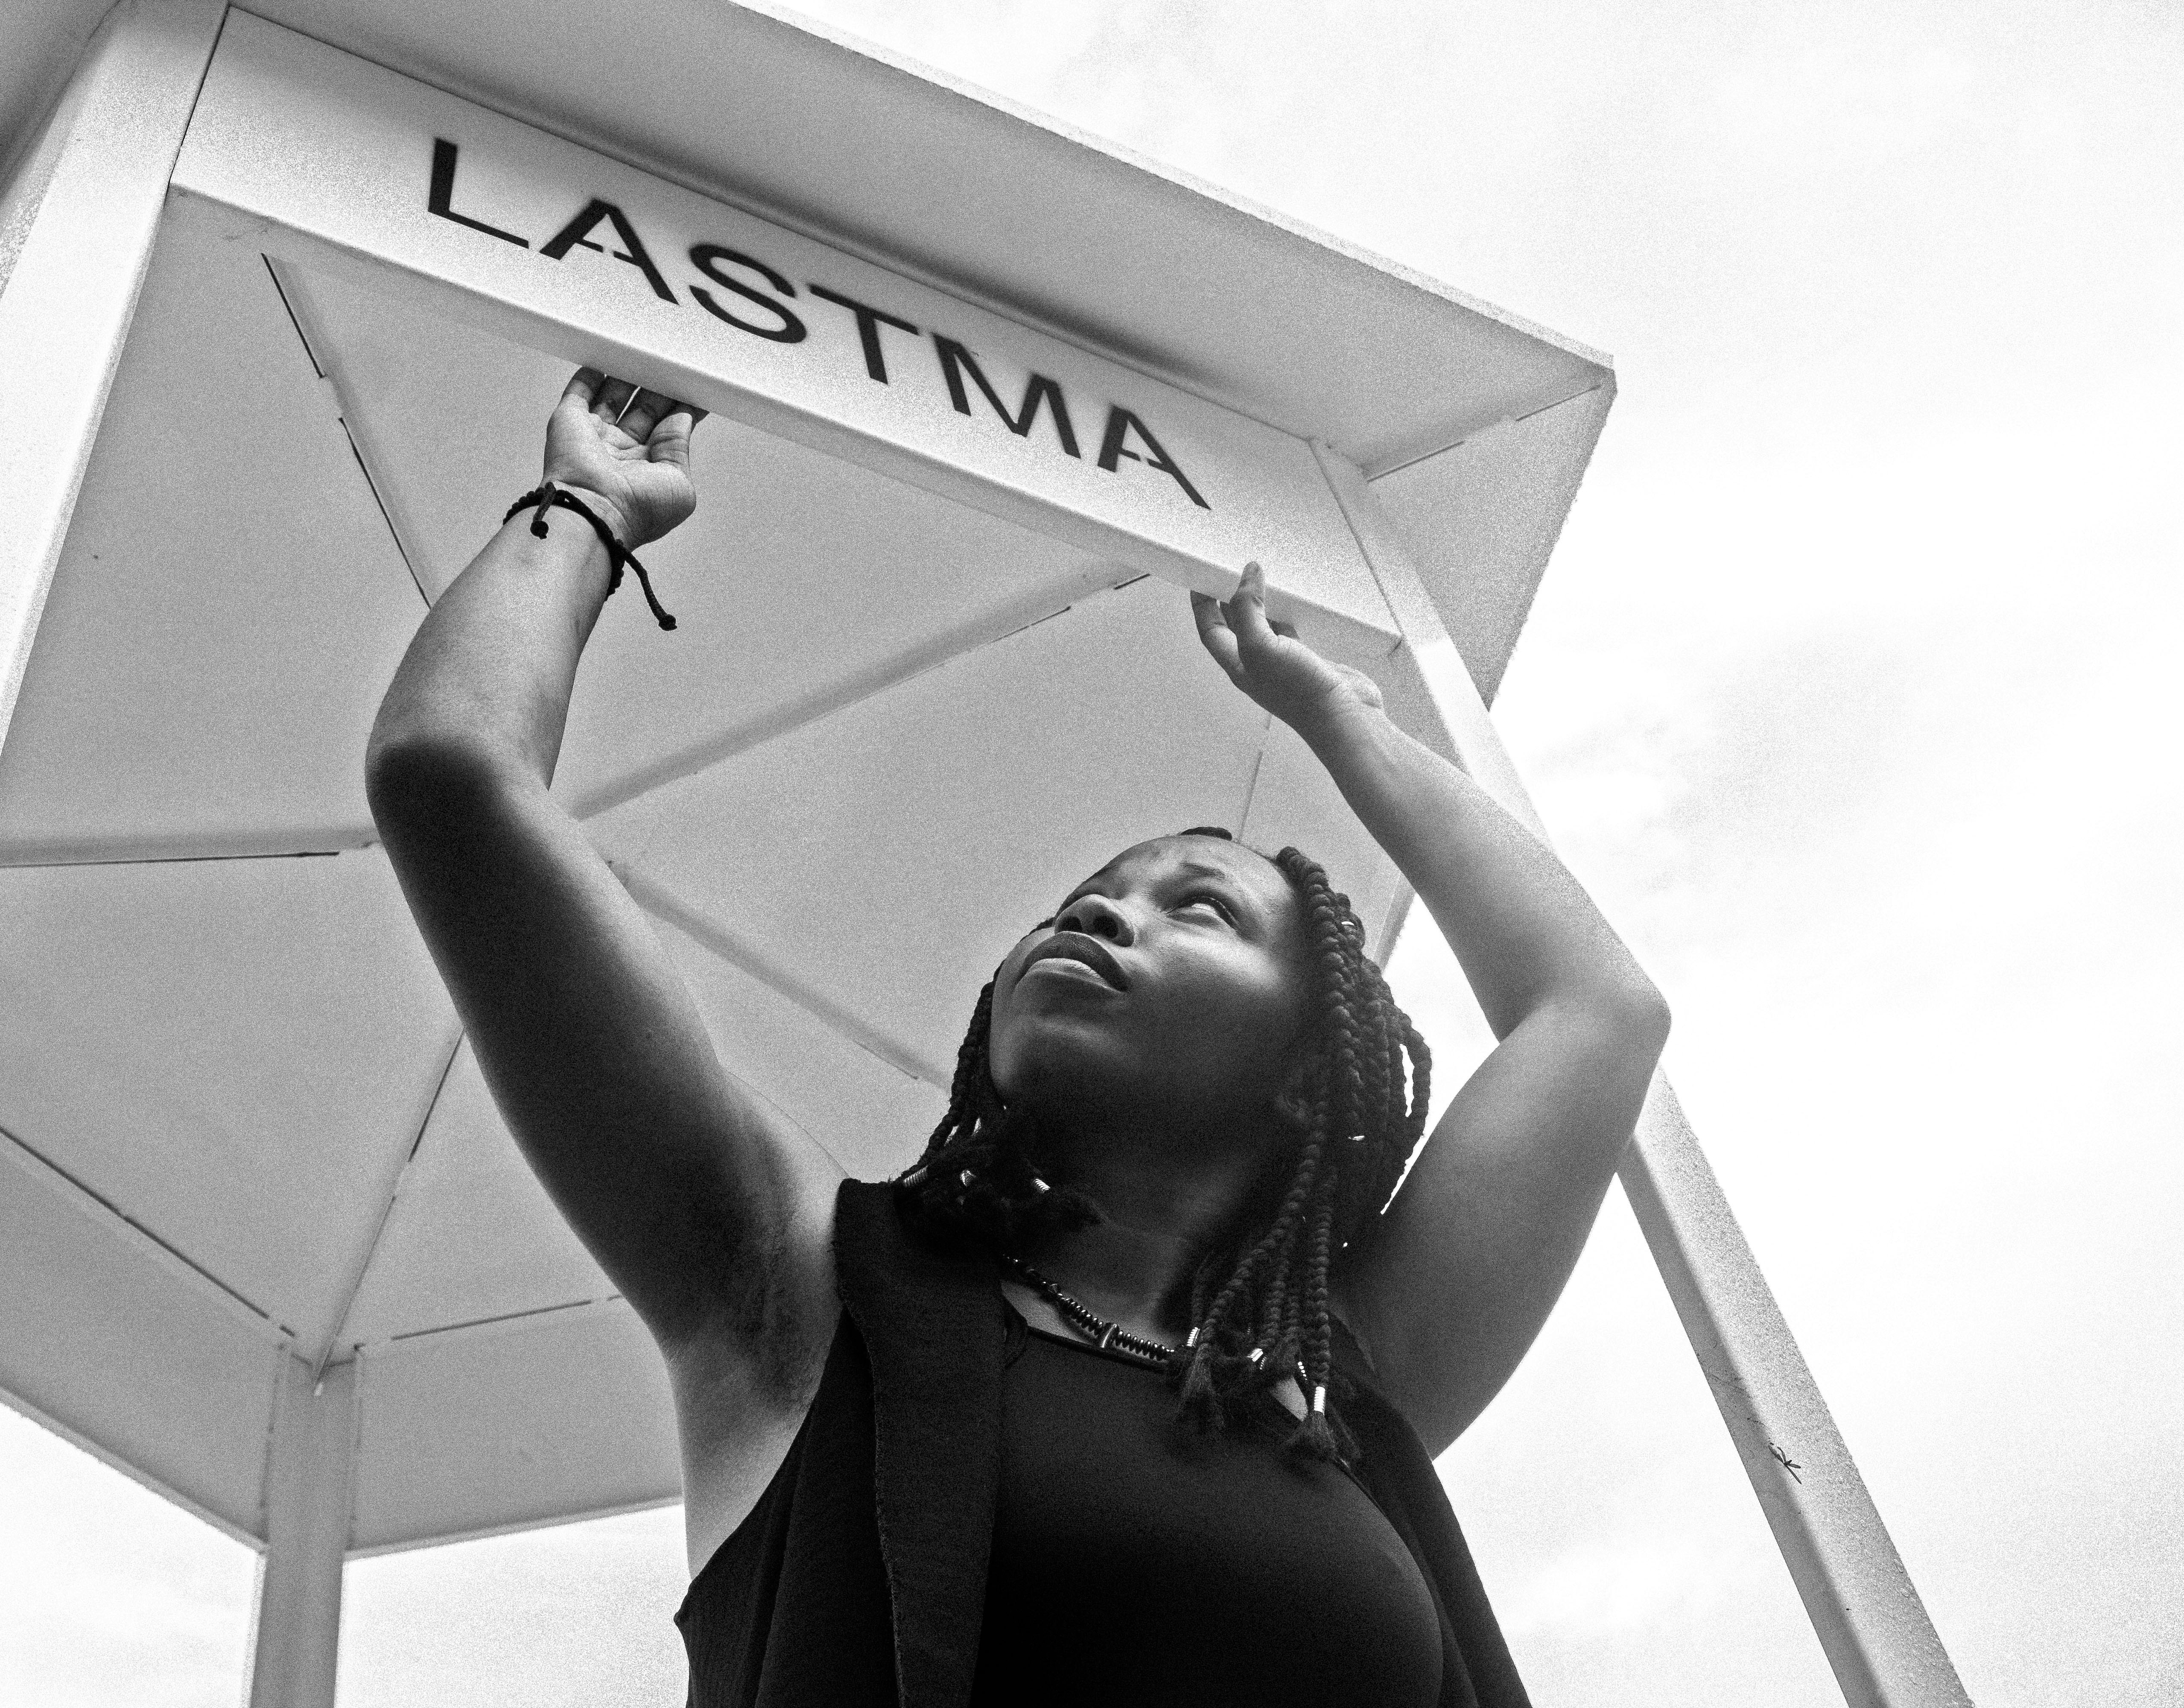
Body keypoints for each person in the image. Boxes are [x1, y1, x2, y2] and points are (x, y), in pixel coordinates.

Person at [366, 370, 1670, 1708]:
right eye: (1087, 896)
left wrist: (1342, 717)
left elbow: (1598, 1014)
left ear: (1302, 1078)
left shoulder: (1345, 1382)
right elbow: (451, 770)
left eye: (1198, 907)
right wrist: (588, 507)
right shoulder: (804, 1290)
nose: (1107, 907)